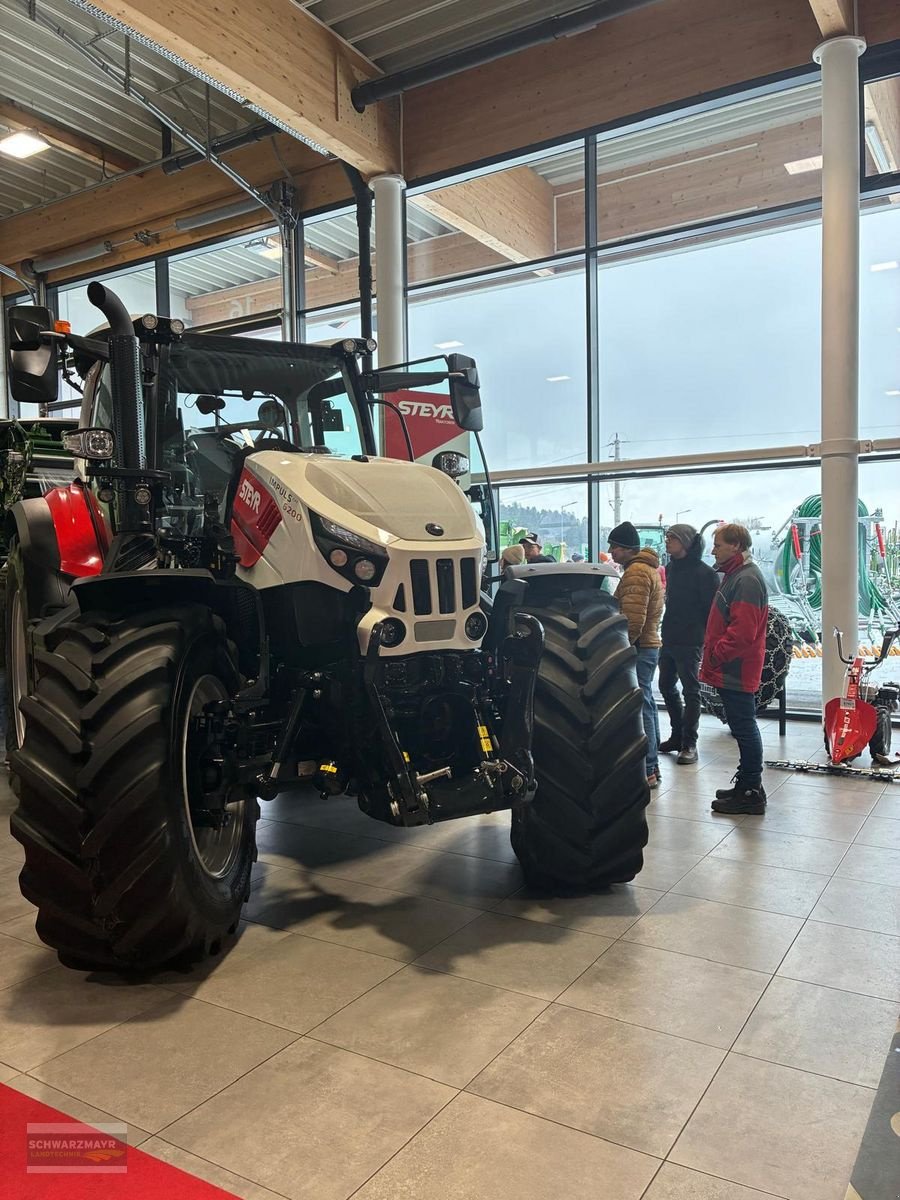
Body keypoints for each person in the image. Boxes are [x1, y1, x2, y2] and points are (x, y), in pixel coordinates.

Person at [701, 522, 769, 814]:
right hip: (732, 667)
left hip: (736, 668)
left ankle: (751, 791)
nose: (712, 550)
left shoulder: (747, 579)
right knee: (742, 727)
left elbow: (743, 633)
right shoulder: (736, 575)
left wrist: (715, 656)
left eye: (717, 544)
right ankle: (746, 784)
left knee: (744, 727)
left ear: (736, 546)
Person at [608, 520, 664, 788]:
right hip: (648, 645)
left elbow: (632, 618)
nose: (611, 551)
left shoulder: (636, 573)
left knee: (642, 705)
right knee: (648, 704)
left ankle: (649, 768)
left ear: (627, 548)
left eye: (615, 547)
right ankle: (652, 764)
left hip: (640, 646)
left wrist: (623, 646)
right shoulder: (647, 569)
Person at [658, 524, 719, 765]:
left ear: (685, 542)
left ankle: (689, 743)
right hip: (670, 637)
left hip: (692, 640)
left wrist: (705, 639)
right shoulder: (671, 568)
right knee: (665, 686)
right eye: (667, 537)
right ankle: (677, 735)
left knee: (691, 691)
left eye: (672, 538)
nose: (667, 541)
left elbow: (711, 612)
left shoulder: (705, 573)